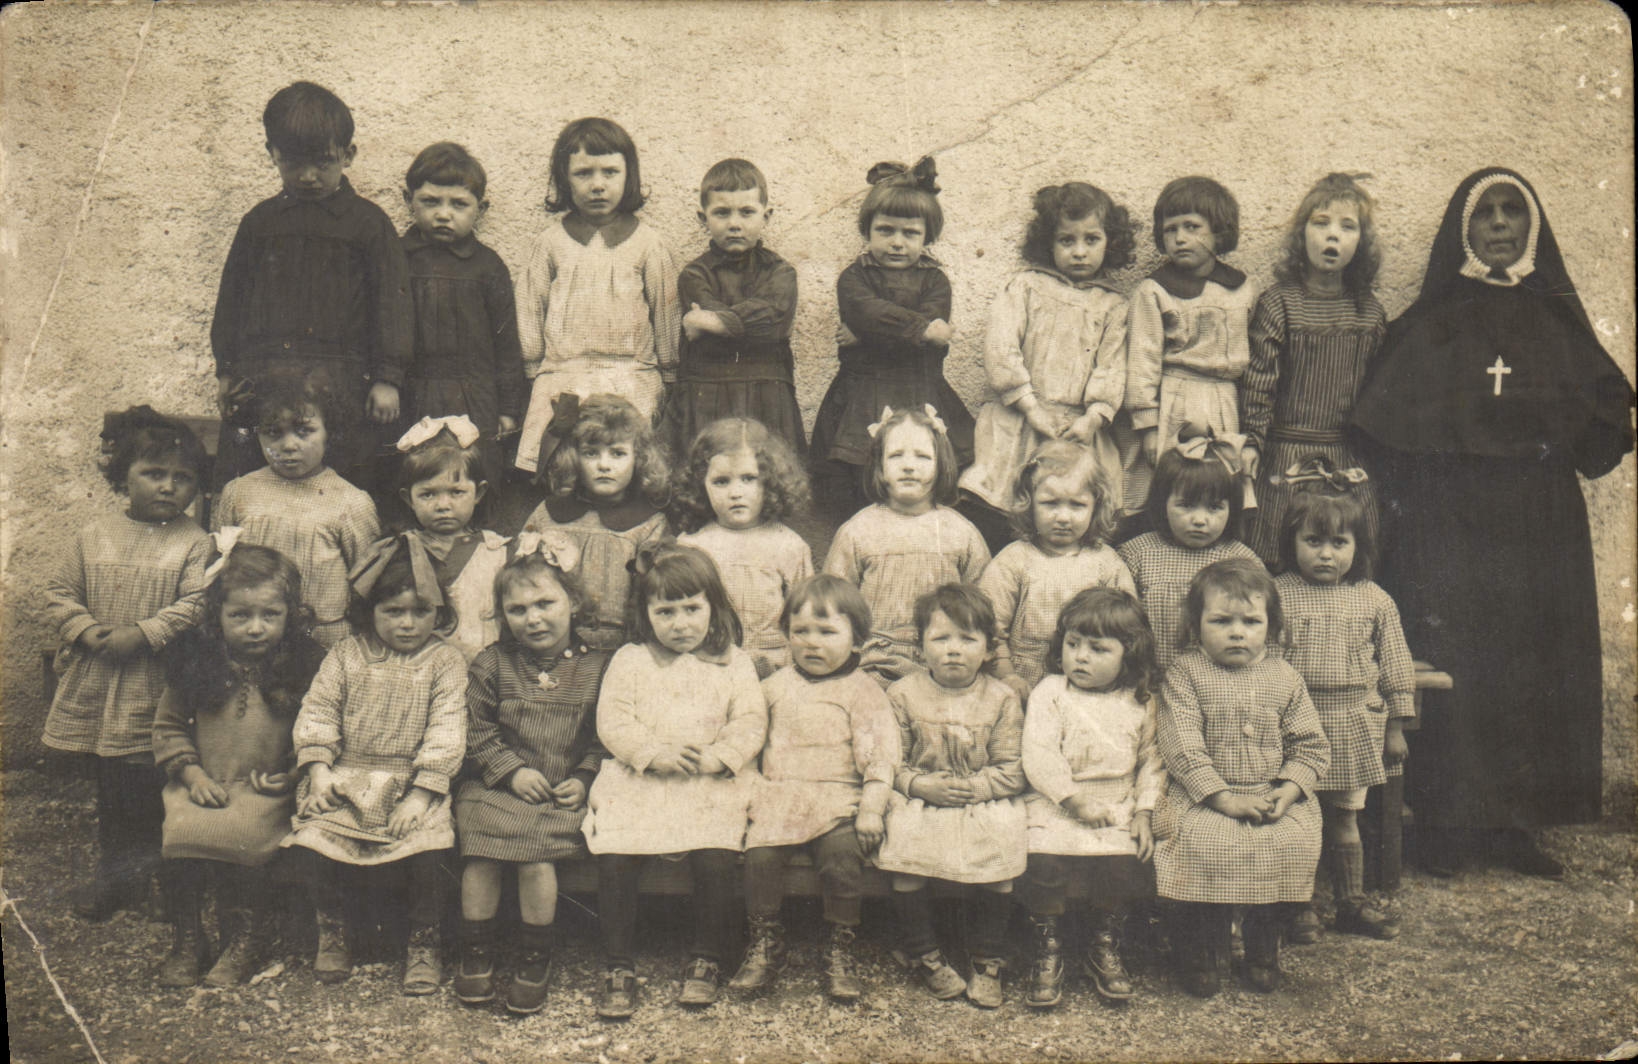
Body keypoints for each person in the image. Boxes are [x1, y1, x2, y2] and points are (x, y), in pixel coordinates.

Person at [1352, 167, 1635, 878]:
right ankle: (1444, 824)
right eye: (1487, 214)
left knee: (1531, 662)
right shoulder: (1432, 321)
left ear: (1533, 229)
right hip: (1451, 521)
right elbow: (1386, 421)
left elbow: (1603, 413)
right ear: (1464, 231)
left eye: (1514, 211)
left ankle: (1516, 824)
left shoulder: (1554, 319)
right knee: (1458, 657)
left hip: (1539, 522)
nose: (1501, 224)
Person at [42, 409, 213, 921]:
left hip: (152, 681)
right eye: (153, 473)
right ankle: (117, 878)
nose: (168, 487)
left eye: (182, 478)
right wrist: (86, 630)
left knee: (151, 779)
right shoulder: (94, 535)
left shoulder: (194, 542)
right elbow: (58, 592)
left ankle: (162, 878)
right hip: (99, 676)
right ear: (123, 475)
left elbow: (197, 603)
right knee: (111, 784)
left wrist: (142, 633)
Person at [582, 545, 767, 1015]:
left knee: (716, 852)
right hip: (644, 777)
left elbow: (750, 722)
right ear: (645, 613)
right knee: (616, 850)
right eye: (665, 612)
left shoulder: (734, 662)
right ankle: (618, 963)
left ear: (714, 607)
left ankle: (707, 956)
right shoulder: (630, 659)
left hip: (708, 780)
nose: (680, 623)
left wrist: (719, 758)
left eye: (691, 609)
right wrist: (653, 754)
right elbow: (613, 721)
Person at [284, 540, 467, 994]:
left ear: (439, 612)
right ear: (370, 611)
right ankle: (333, 930)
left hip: (411, 783)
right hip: (345, 775)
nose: (408, 623)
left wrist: (422, 795)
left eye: (421, 611)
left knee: (429, 850)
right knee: (313, 840)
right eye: (393, 611)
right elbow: (319, 710)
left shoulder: (445, 661)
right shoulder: (345, 655)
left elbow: (447, 727)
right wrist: (319, 771)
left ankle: (423, 941)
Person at [210, 81, 411, 489]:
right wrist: (227, 370)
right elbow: (232, 301)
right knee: (254, 479)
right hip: (264, 375)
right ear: (272, 154)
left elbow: (393, 303)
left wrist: (388, 377)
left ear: (348, 155)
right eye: (293, 163)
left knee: (342, 481)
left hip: (342, 381)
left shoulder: (368, 224)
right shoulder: (259, 223)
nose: (308, 176)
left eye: (323, 163)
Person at [152, 542, 325, 987]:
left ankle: (247, 937)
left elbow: (319, 731)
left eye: (270, 615)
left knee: (245, 835)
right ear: (217, 616)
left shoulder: (303, 668)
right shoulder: (198, 664)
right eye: (240, 616)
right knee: (179, 834)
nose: (255, 628)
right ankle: (189, 938)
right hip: (204, 783)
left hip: (267, 790)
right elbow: (168, 726)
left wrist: (292, 773)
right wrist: (192, 774)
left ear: (290, 616)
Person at [1154, 559, 1328, 997]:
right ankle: (1202, 949)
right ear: (1196, 625)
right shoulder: (1185, 674)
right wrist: (1223, 798)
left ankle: (1263, 945)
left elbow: (1310, 744)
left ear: (1271, 626)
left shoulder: (1284, 677)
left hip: (1269, 793)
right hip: (1204, 796)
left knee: (1291, 841)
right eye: (1221, 621)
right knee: (1205, 844)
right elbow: (1182, 746)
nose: (1237, 633)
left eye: (1251, 622)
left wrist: (1289, 790)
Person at [453, 535, 609, 1015]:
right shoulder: (493, 663)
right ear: (503, 615)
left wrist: (584, 778)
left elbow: (604, 737)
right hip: (496, 786)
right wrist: (511, 771)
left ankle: (535, 955)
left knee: (537, 859)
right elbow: (475, 730)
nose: (533, 618)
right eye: (518, 610)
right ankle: (476, 948)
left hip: (558, 791)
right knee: (481, 854)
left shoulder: (597, 667)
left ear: (574, 602)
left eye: (545, 604)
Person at [730, 575, 899, 1001]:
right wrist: (746, 793)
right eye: (800, 631)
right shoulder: (773, 688)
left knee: (843, 856)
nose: (811, 643)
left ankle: (840, 945)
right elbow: (749, 744)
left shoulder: (863, 692)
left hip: (839, 799)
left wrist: (871, 809)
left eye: (826, 632)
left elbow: (880, 757)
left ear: (857, 640)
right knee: (760, 857)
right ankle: (766, 941)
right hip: (780, 797)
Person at [959, 181, 1134, 552]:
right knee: (1009, 512)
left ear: (1111, 242)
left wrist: (1094, 418)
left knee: (1073, 509)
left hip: (1077, 429)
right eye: (1066, 240)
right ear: (1047, 243)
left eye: (1092, 239)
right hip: (1024, 420)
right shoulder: (1025, 287)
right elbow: (1001, 348)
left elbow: (1113, 368)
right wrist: (1029, 406)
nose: (1079, 252)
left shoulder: (1113, 306)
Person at [1273, 480, 1413, 941]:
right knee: (1297, 818)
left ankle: (1350, 903)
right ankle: (1299, 907)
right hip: (1294, 725)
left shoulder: (1374, 598)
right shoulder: (1276, 594)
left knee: (1345, 816)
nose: (1326, 554)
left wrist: (1395, 727)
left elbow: (1395, 666)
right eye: (1313, 541)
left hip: (1353, 721)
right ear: (1292, 542)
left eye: (1339, 542)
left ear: (1358, 545)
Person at [876, 584, 1026, 1009]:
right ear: (920, 646)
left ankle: (987, 958)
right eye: (940, 639)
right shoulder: (902, 694)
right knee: (905, 839)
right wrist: (918, 785)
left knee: (1001, 840)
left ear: (989, 649)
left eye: (967, 639)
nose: (953, 650)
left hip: (981, 796)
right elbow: (888, 760)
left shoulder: (1001, 698)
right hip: (922, 795)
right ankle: (924, 953)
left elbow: (1012, 769)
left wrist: (975, 788)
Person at [1018, 587, 1163, 1008]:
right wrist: (1072, 799)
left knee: (1124, 861)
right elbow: (1039, 752)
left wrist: (1144, 811)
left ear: (1129, 654)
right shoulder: (1051, 691)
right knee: (1041, 858)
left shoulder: (1140, 699)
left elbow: (1151, 760)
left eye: (1098, 649)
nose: (1081, 657)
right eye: (1073, 644)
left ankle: (1103, 942)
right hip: (1057, 800)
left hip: (1117, 801)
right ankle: (1047, 945)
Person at [513, 118, 680, 476]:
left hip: (631, 377)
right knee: (565, 465)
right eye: (583, 173)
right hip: (564, 376)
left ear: (628, 176)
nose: (598, 185)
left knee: (622, 466)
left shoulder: (648, 244)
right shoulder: (550, 244)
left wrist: (669, 370)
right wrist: (532, 365)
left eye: (610, 172)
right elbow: (530, 306)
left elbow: (666, 313)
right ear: (564, 179)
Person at [809, 157, 975, 515]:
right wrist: (918, 330)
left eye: (910, 233)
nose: (897, 242)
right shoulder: (854, 277)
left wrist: (867, 335)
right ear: (867, 231)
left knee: (923, 473)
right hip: (862, 393)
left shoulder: (936, 281)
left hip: (921, 388)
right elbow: (866, 311)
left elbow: (921, 321)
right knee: (861, 477)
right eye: (885, 230)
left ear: (927, 236)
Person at [1241, 173, 1387, 565]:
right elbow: (1258, 383)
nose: (1332, 235)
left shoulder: (1369, 313)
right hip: (1285, 453)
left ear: (1362, 242)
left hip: (1344, 454)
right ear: (1301, 234)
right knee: (1278, 550)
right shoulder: (1280, 304)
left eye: (1347, 226)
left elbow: (1376, 396)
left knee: (1345, 552)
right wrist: (1253, 441)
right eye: (1321, 223)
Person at [823, 405, 990, 687]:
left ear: (940, 465)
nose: (909, 466)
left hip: (941, 665)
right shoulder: (858, 531)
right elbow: (833, 605)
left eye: (922, 456)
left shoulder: (960, 533)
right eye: (896, 455)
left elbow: (983, 604)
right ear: (879, 468)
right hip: (872, 665)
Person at [1120, 176, 1256, 522]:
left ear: (1219, 231)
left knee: (1219, 483)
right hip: (1175, 401)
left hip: (1225, 402)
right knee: (1170, 486)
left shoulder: (1242, 289)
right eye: (1170, 230)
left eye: (1192, 227)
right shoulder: (1154, 291)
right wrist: (1148, 427)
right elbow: (1143, 361)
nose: (1180, 238)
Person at [213, 369, 381, 648]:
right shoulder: (239, 492)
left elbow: (368, 584)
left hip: (324, 639)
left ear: (329, 432)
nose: (289, 445)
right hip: (254, 635)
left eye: (304, 431)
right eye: (273, 433)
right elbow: (220, 566)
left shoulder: (351, 502)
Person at [398, 142, 526, 489]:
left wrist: (508, 408)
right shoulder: (395, 259)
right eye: (431, 202)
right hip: (412, 393)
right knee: (413, 473)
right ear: (408, 200)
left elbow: (506, 344)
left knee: (474, 474)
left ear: (480, 209)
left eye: (458, 204)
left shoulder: (488, 266)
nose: (444, 214)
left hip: (475, 395)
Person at [663, 159, 806, 458]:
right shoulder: (694, 274)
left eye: (746, 212)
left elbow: (774, 320)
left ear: (767, 216)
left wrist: (715, 323)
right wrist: (746, 325)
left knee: (769, 471)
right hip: (705, 395)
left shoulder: (780, 272)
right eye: (722, 213)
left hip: (767, 395)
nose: (735, 224)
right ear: (703, 218)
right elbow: (749, 319)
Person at [979, 439, 1135, 697]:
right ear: (1029, 503)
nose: (1063, 517)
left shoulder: (1107, 564)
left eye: (1077, 505)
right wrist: (1007, 676)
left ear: (1095, 507)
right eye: (1050, 503)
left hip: (1090, 689)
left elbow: (1127, 630)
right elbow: (989, 628)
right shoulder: (1012, 561)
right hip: (1023, 686)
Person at [518, 393, 671, 651]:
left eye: (617, 453)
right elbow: (522, 578)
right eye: (591, 453)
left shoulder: (649, 523)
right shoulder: (549, 514)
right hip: (554, 644)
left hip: (624, 648)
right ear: (573, 457)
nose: (604, 465)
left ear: (639, 458)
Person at [1117, 424, 1262, 676]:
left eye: (1214, 508)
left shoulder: (1242, 561)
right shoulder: (1136, 554)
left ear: (1232, 507)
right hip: (1149, 678)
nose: (1199, 520)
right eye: (1186, 506)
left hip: (1216, 681)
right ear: (1162, 503)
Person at [674, 417, 814, 678]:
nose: (735, 493)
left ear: (771, 481)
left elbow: (806, 618)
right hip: (709, 667)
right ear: (701, 485)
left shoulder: (789, 546)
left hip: (775, 668)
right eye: (721, 481)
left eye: (749, 479)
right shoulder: (690, 545)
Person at [392, 418, 509, 662]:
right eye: (428, 494)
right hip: (422, 671)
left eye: (456, 492)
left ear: (479, 492)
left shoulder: (497, 552)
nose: (443, 505)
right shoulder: (400, 550)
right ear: (408, 498)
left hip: (485, 671)